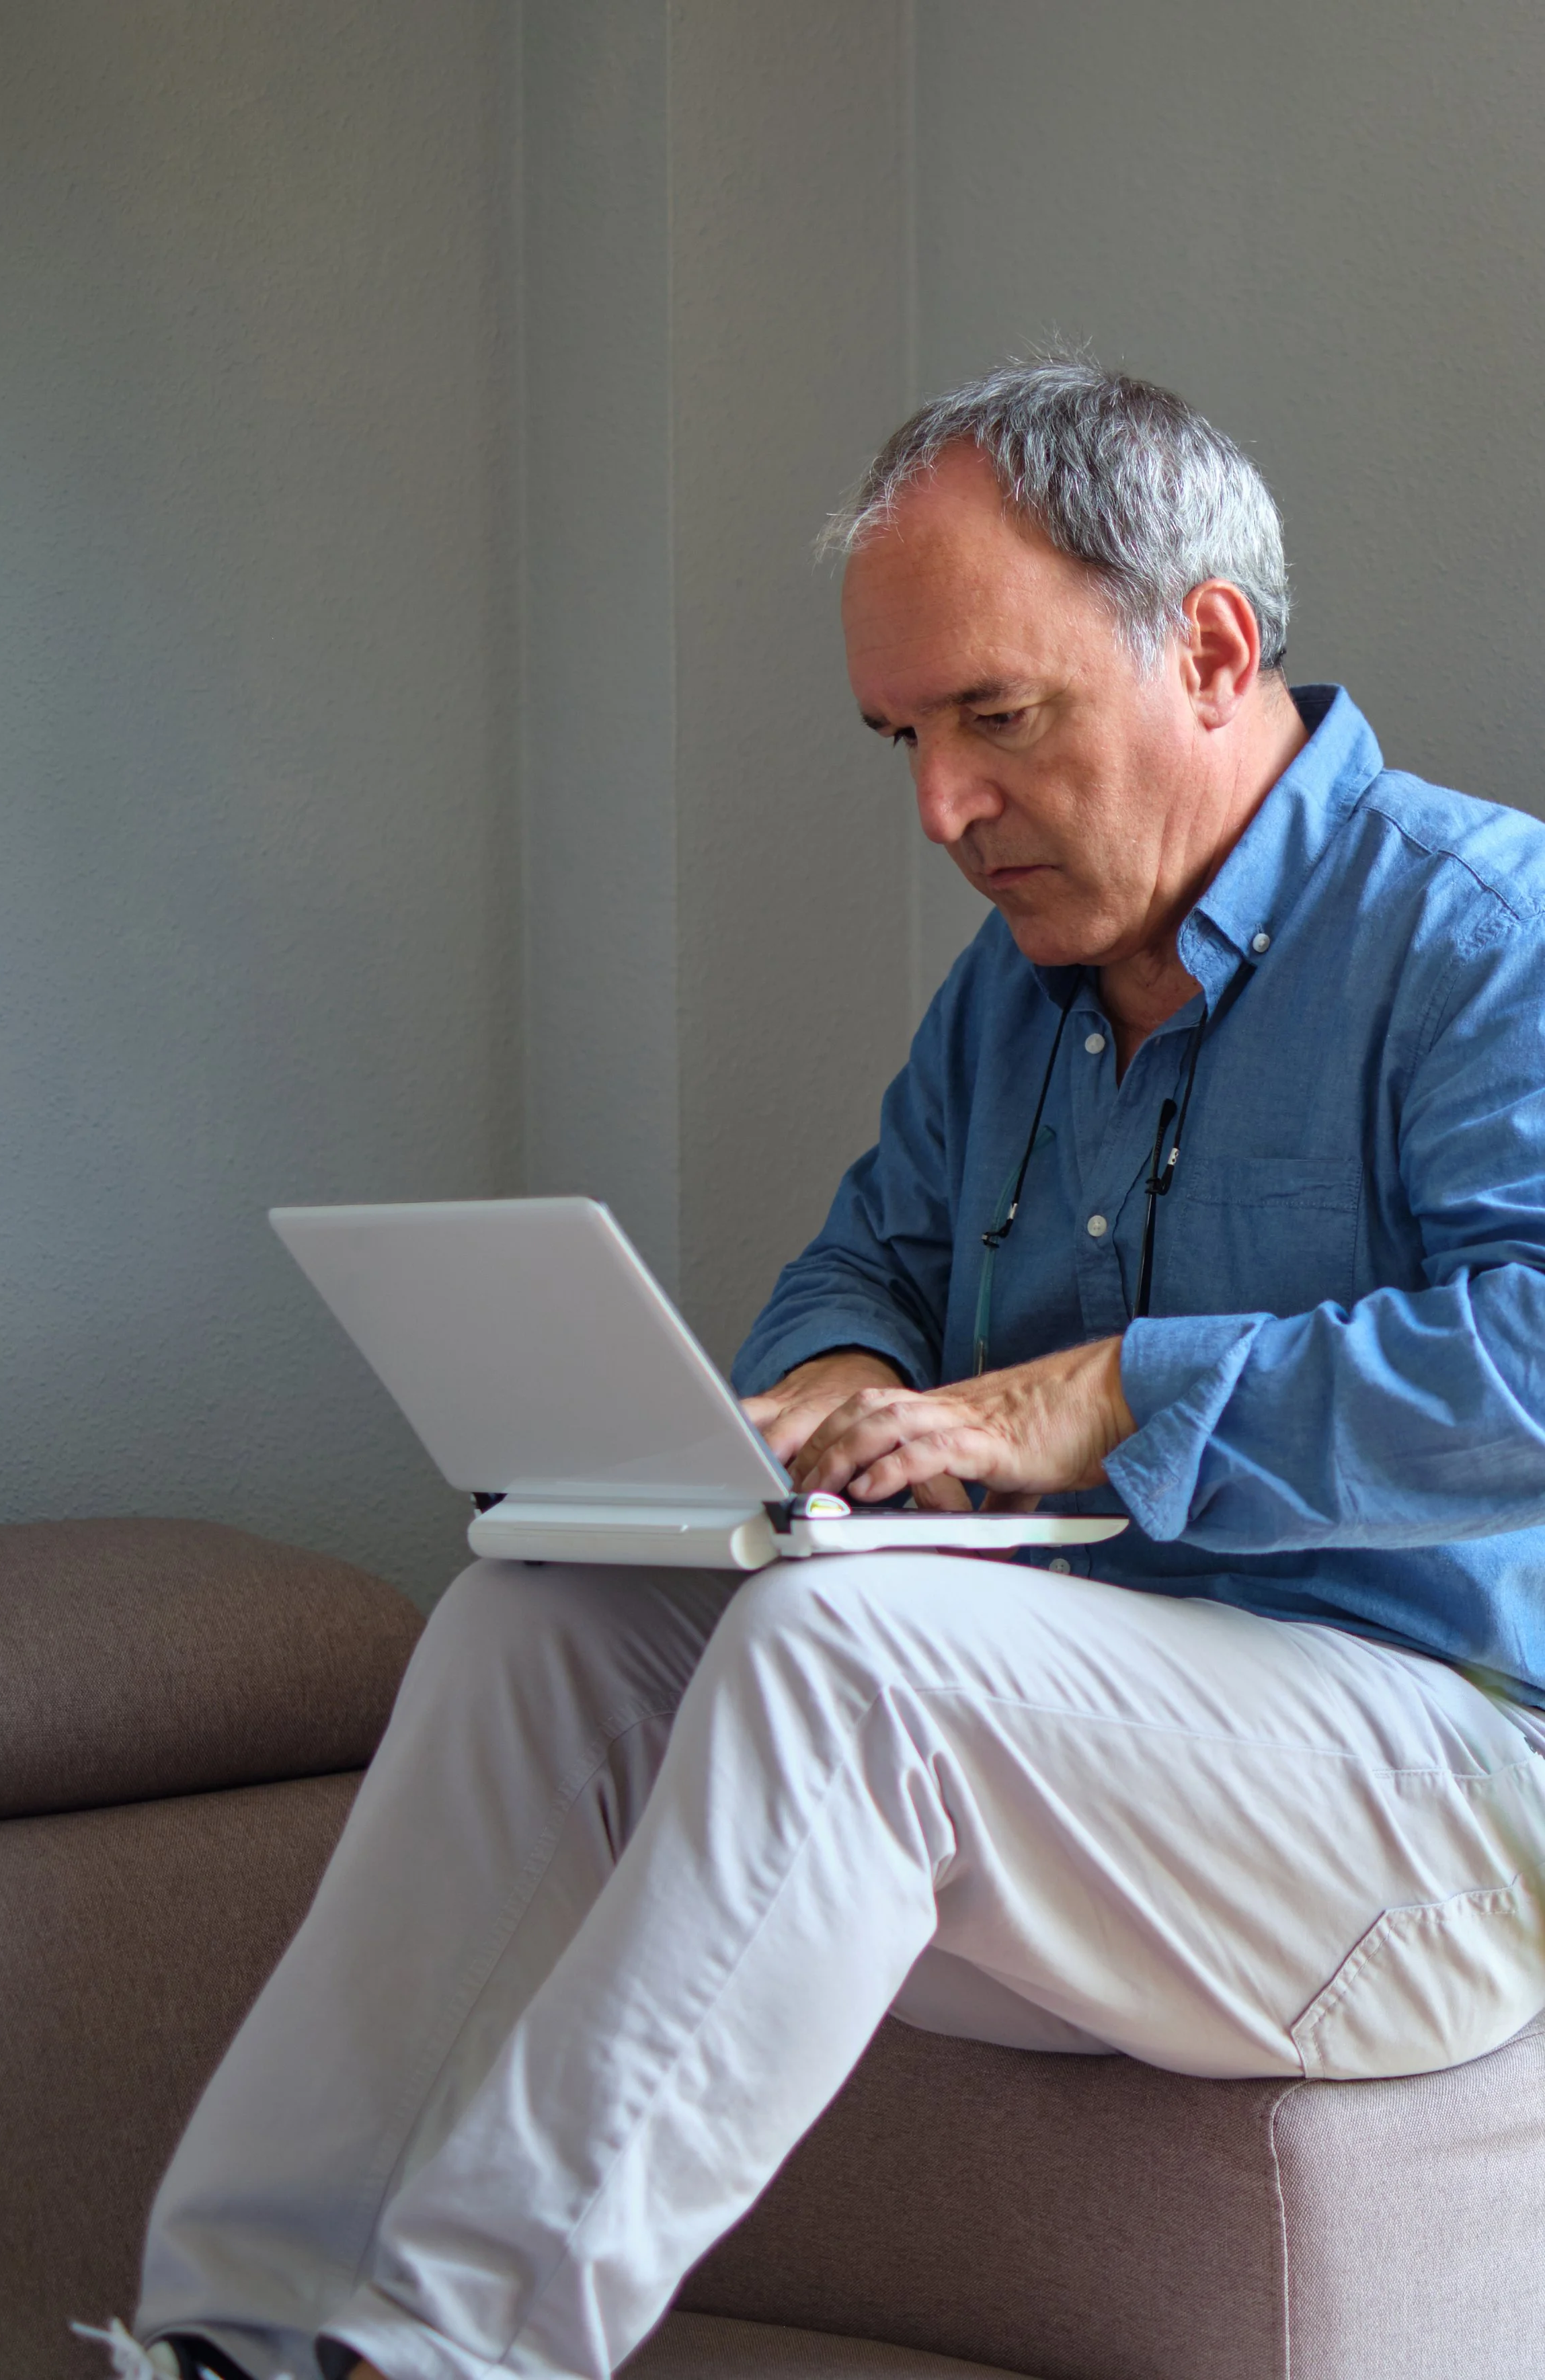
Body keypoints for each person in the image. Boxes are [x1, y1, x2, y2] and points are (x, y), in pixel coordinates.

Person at [102, 357, 1545, 2380]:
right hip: (1068, 1776)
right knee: (554, 1610)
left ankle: (443, 2358)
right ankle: (239, 2324)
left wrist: (1102, 1389)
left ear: (1208, 647)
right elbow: (860, 1258)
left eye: (996, 718)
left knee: (843, 1660)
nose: (941, 807)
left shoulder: (1485, 932)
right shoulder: (1013, 995)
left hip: (1441, 1799)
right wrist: (818, 1390)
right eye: (902, 735)